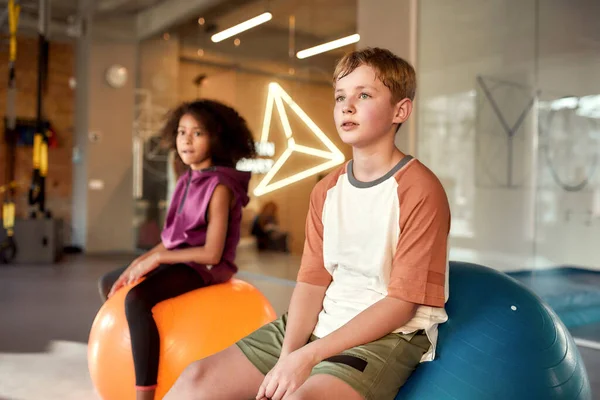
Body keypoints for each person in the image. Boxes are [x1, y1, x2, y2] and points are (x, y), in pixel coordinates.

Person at [165, 47, 451, 400]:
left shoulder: (421, 189)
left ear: (400, 110)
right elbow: (312, 283)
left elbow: (402, 304)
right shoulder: (326, 190)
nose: (347, 106)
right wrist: (287, 359)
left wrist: (308, 357)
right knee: (195, 379)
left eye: (364, 95)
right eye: (340, 97)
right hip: (321, 320)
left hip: (388, 334)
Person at [96, 99, 256, 400]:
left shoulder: (220, 186)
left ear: (215, 138)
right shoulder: (187, 180)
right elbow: (172, 239)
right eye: (182, 132)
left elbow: (211, 253)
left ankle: (145, 394)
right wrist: (139, 262)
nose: (187, 140)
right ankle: (135, 356)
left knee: (136, 300)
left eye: (198, 133)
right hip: (182, 259)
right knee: (110, 282)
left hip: (206, 268)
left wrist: (156, 259)